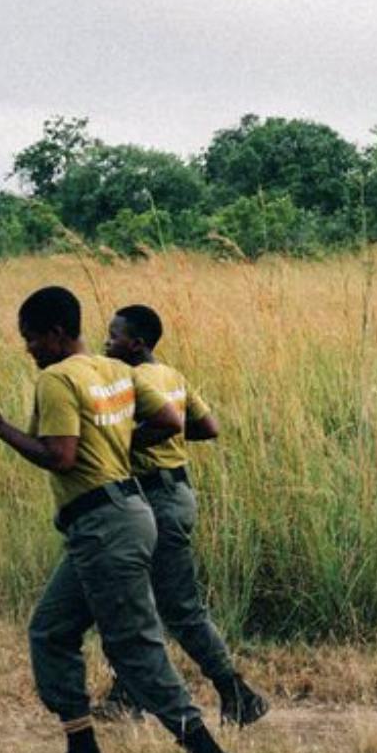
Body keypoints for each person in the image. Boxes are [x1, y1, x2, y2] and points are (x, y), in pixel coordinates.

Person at [0, 286, 243, 753]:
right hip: (125, 514)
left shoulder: (56, 379)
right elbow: (170, 422)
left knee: (134, 648)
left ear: (55, 334)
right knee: (51, 631)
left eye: (31, 338)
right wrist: (116, 443)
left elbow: (60, 457)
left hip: (103, 525)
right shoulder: (114, 369)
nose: (29, 349)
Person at [94, 304, 269, 727]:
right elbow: (208, 427)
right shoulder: (172, 376)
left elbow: (167, 425)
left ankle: (236, 693)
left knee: (173, 606)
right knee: (145, 600)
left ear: (137, 343)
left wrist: (126, 444)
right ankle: (129, 693)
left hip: (153, 497)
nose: (106, 342)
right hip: (177, 493)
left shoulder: (131, 380)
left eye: (114, 336)